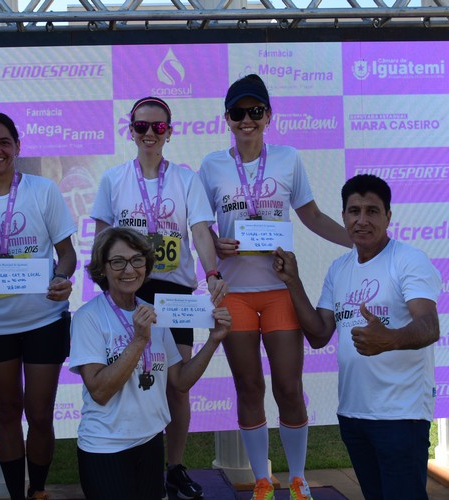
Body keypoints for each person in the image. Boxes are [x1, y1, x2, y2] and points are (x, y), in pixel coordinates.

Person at [197, 74, 352, 500]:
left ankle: (298, 478)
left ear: (268, 116)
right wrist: (215, 241)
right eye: (238, 113)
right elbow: (197, 228)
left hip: (280, 290)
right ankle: (262, 480)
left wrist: (359, 240)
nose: (247, 120)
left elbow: (313, 216)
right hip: (235, 294)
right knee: (248, 386)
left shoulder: (288, 158)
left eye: (255, 112)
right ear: (226, 118)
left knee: (287, 386)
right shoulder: (212, 165)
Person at [91, 96, 228, 499]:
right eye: (142, 127)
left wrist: (213, 273)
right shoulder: (113, 179)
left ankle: (174, 467)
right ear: (130, 129)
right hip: (128, 286)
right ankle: (131, 458)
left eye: (159, 127)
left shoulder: (186, 180)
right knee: (129, 373)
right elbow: (102, 237)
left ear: (170, 132)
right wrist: (103, 283)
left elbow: (200, 231)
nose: (150, 134)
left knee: (177, 383)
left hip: (173, 291)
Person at [273, 174, 441, 500]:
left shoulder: (408, 260)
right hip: (353, 415)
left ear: (388, 217)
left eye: (372, 211)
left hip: (400, 417)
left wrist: (388, 339)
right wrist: (292, 281)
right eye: (354, 211)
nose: (362, 220)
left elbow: (429, 326)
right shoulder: (339, 268)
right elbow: (320, 334)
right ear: (344, 217)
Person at [0, 112, 77, 500]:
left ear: (18, 147)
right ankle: (15, 495)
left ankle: (38, 490)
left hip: (44, 320)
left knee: (39, 414)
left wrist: (62, 279)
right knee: (6, 414)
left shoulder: (43, 191)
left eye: (4, 142)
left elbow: (67, 255)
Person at [70, 227, 231, 500]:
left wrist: (214, 341)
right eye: (118, 261)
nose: (129, 269)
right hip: (105, 447)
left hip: (150, 442)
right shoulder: (89, 317)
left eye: (137, 260)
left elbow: (179, 381)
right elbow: (99, 391)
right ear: (102, 268)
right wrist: (138, 341)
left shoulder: (153, 312)